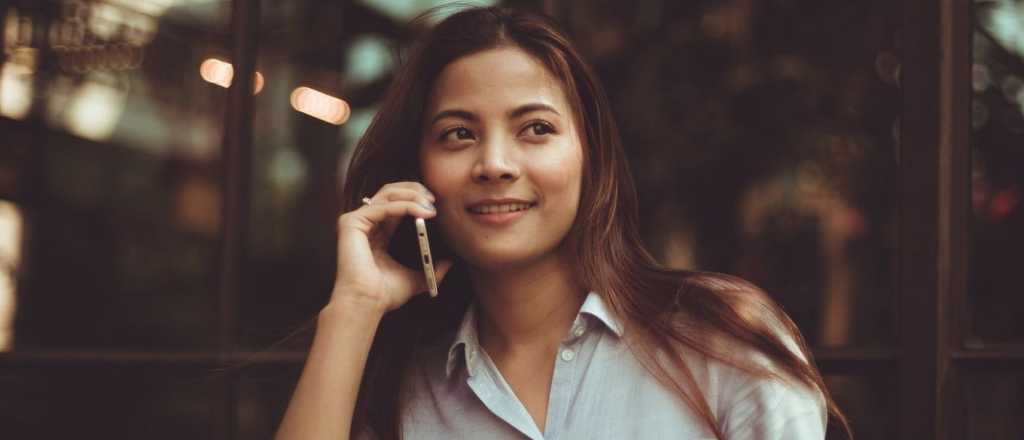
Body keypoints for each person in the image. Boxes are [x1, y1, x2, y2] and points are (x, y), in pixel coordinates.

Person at [276, 6, 851, 440]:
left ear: (589, 157)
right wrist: (353, 308)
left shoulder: (720, 341)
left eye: (536, 129)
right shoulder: (406, 388)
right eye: (459, 133)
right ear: (419, 171)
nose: (495, 164)